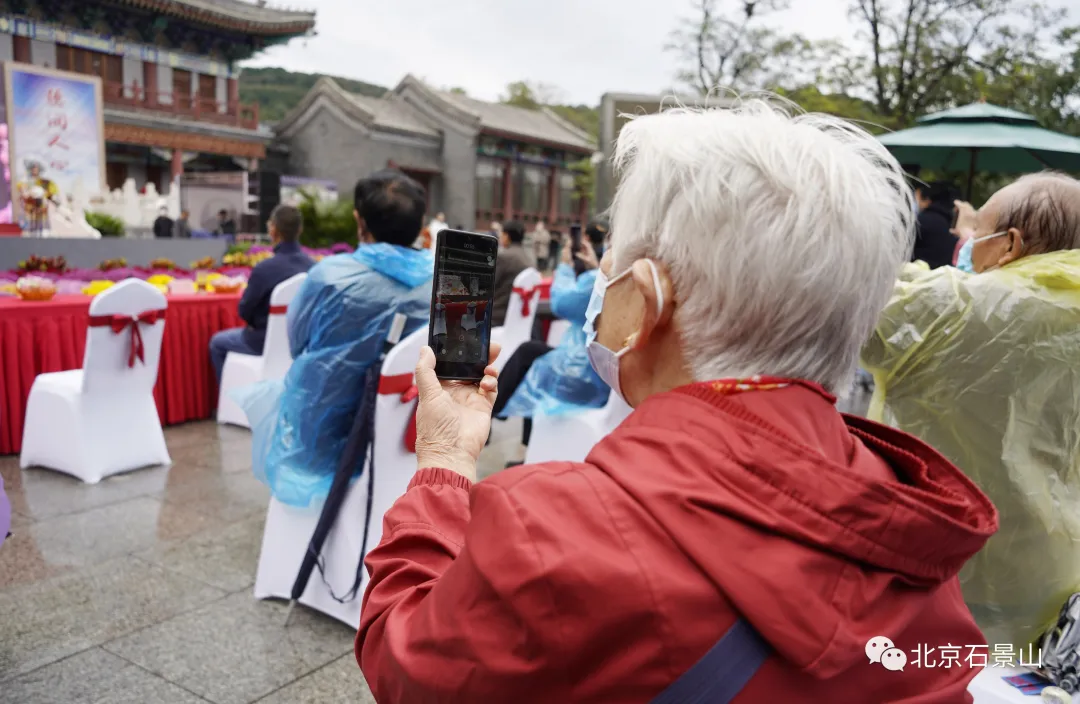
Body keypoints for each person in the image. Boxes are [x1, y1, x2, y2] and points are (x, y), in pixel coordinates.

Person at [356, 100, 997, 702]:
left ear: (646, 301)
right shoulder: (924, 547)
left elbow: (409, 666)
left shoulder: (553, 535)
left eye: (609, 274)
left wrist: (443, 460)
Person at [863, 171, 1080, 650]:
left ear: (1011, 245)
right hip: (1052, 575)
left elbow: (844, 300)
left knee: (920, 670)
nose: (968, 242)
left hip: (941, 561)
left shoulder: (957, 307)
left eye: (977, 229)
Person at [250, 169, 433, 507]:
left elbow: (297, 345)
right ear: (421, 223)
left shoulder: (330, 277)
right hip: (415, 430)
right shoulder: (444, 280)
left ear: (358, 221)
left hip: (325, 437)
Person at [492, 219, 611, 446]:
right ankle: (518, 433)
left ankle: (493, 409)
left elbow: (563, 303)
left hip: (585, 372)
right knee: (532, 354)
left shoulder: (603, 279)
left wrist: (565, 266)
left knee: (534, 363)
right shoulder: (615, 273)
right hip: (599, 367)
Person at [208, 204, 314, 381]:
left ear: (273, 230)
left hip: (263, 341)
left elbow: (244, 311)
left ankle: (229, 403)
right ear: (300, 230)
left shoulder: (264, 269)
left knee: (217, 343)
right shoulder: (313, 268)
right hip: (303, 343)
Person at [491, 220, 531, 326]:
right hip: (518, 317)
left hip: (496, 316)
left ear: (507, 236)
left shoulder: (504, 257)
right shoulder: (529, 259)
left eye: (501, 234)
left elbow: (488, 286)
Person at [912, 181, 959, 269]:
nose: (915, 202)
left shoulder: (920, 221)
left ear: (927, 200)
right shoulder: (949, 222)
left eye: (916, 198)